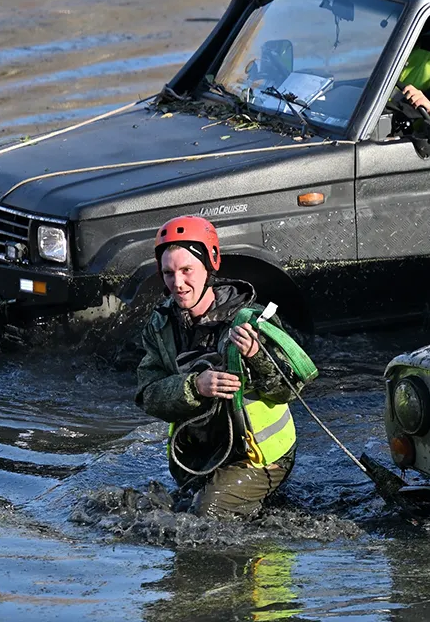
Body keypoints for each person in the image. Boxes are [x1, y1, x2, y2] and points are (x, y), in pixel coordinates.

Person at [135, 215, 315, 517]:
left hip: (261, 456)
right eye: (168, 273)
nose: (177, 283)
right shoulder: (160, 325)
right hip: (199, 458)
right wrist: (195, 387)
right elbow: (147, 395)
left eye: (186, 270)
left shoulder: (254, 319)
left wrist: (256, 354)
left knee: (206, 514)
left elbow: (289, 391)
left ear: (209, 265)